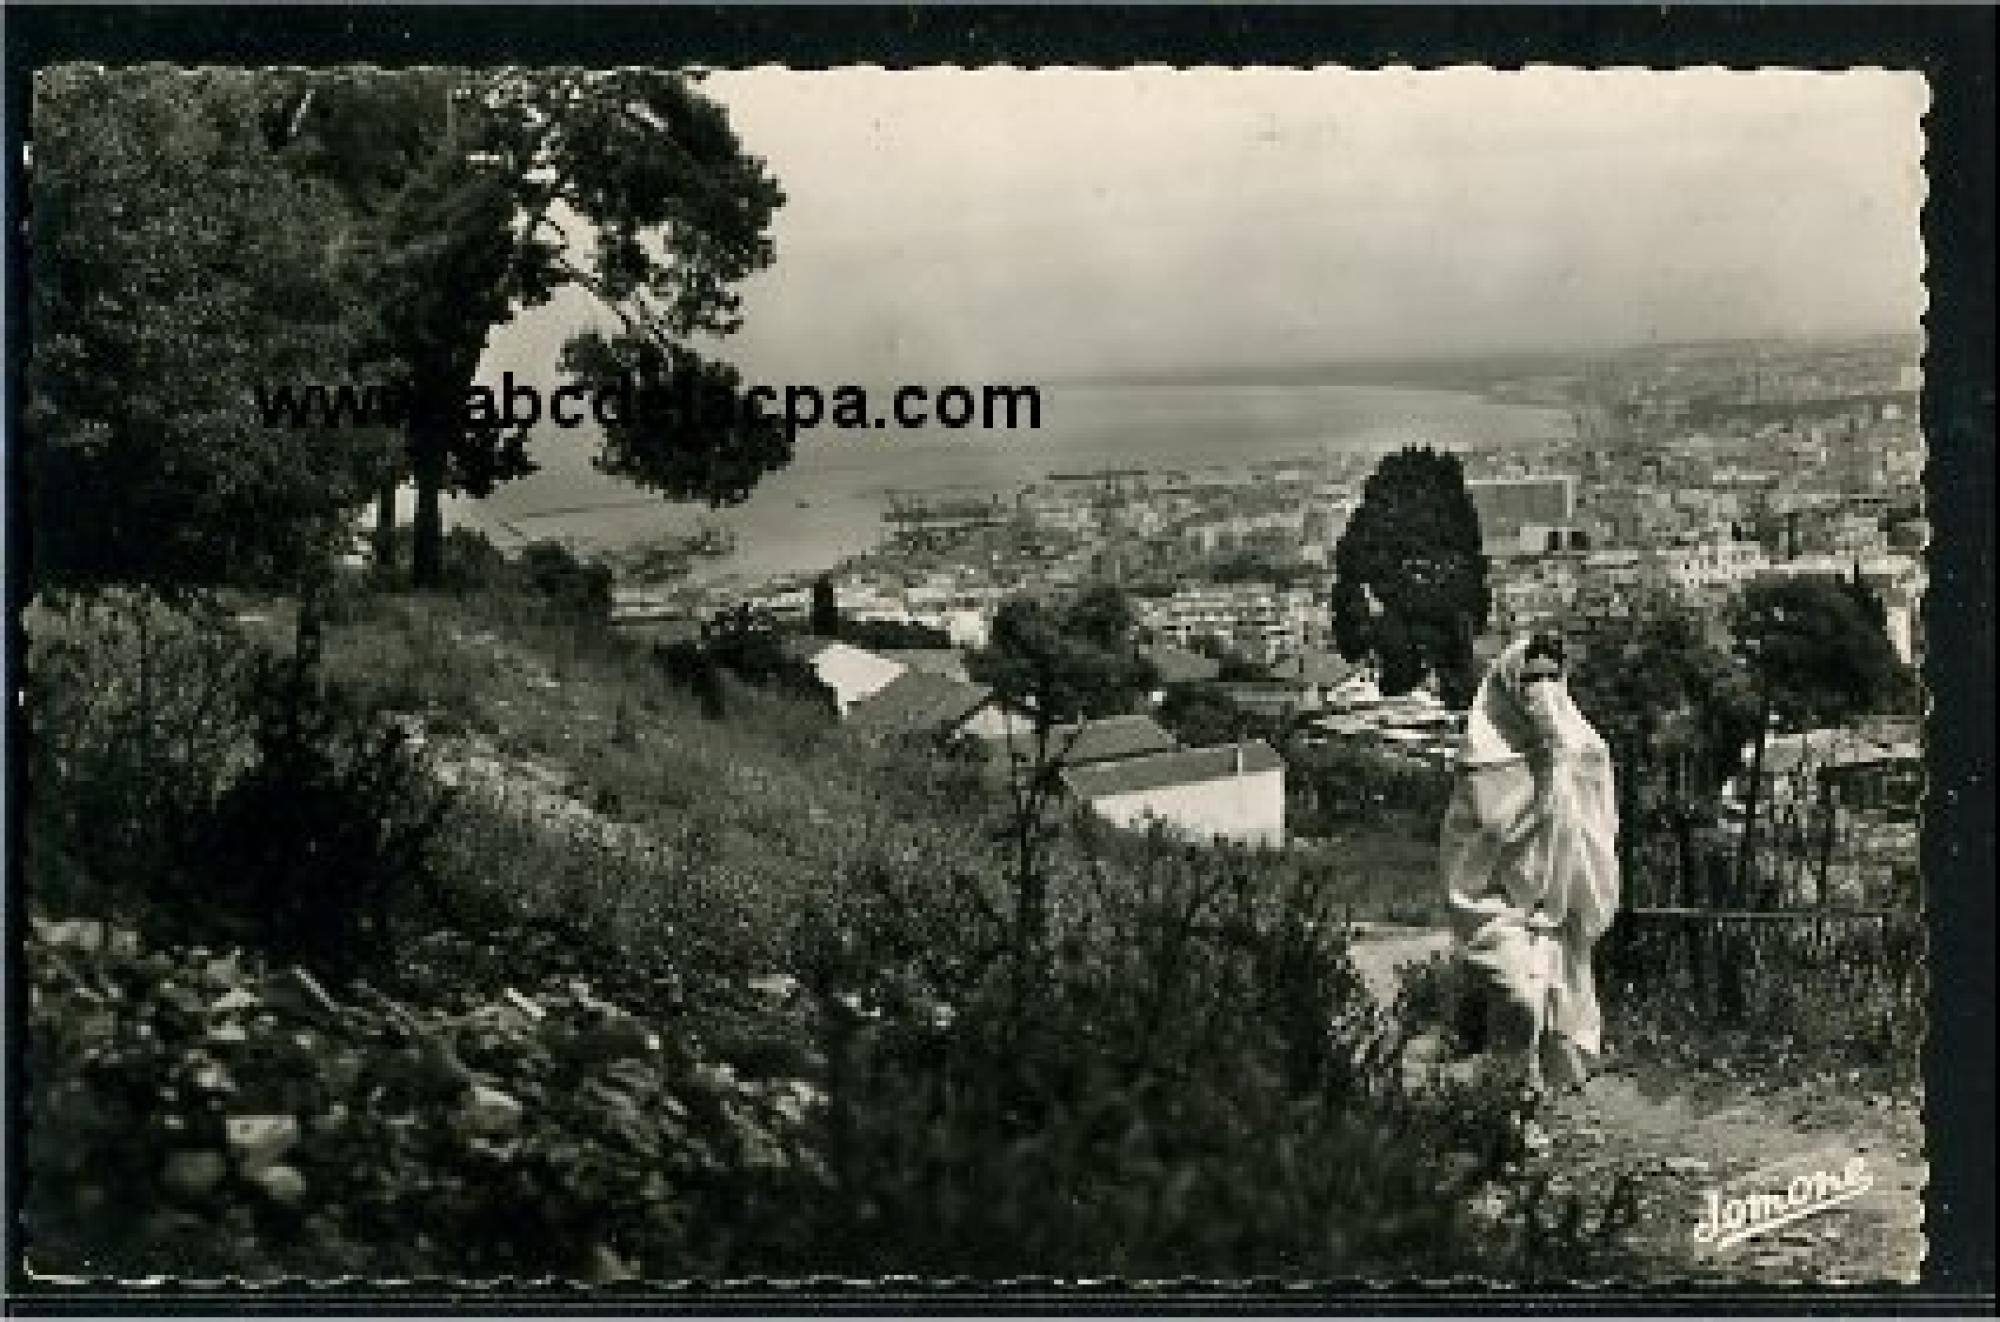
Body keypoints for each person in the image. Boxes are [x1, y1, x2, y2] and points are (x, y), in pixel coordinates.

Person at [1439, 630, 1620, 1115]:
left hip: (1554, 899)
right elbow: (1480, 836)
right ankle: (1510, 1097)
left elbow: (1597, 818)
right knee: (1520, 994)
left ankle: (1522, 1103)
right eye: (1531, 677)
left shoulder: (1577, 744)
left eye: (1551, 677)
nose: (1542, 689)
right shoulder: (1485, 755)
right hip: (1494, 902)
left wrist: (1564, 763)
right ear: (1511, 682)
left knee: (1547, 1002)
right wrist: (1536, 789)